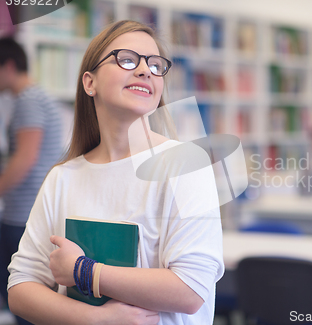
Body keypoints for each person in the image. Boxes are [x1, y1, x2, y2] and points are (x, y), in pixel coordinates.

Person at [7, 20, 224, 325]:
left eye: (155, 64)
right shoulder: (63, 177)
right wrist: (97, 319)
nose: (145, 70)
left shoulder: (185, 164)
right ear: (89, 83)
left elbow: (191, 289)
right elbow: (21, 287)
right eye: (126, 59)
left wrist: (85, 271)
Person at [0, 37, 62, 325]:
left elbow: (25, 158)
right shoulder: (39, 97)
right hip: (30, 212)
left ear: (9, 66)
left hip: (22, 215)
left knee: (21, 298)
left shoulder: (28, 100)